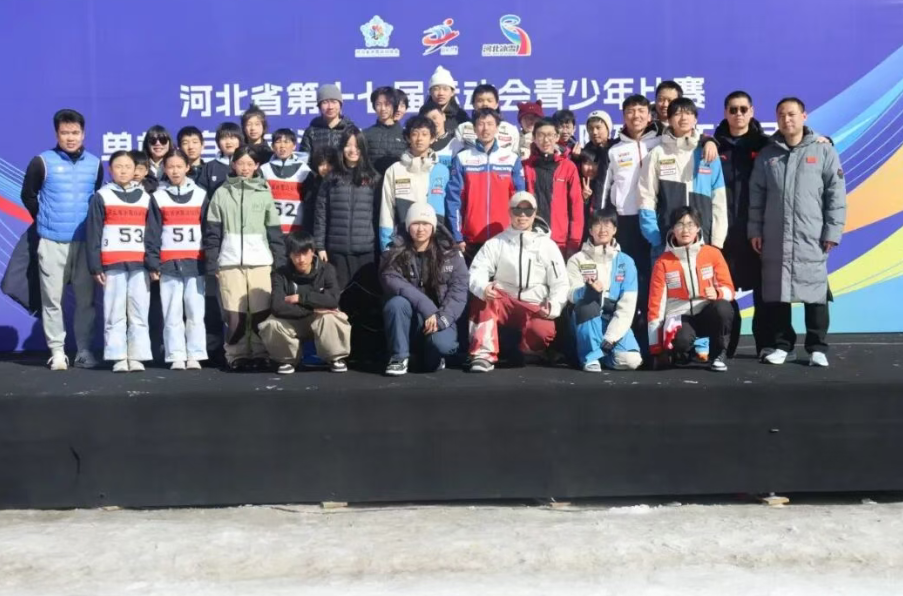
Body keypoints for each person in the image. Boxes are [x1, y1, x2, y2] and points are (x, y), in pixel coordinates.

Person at [749, 97, 846, 367]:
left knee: (815, 292)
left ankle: (817, 347)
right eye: (781, 114)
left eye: (792, 114)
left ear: (804, 116)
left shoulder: (823, 150)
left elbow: (836, 194)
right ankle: (783, 345)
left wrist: (832, 231)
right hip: (775, 235)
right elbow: (756, 196)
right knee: (777, 292)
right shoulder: (768, 154)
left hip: (811, 235)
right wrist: (755, 230)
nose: (786, 119)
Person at [21, 108, 103, 370]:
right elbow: (28, 195)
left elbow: (96, 199)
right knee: (52, 300)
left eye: (75, 132)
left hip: (85, 242)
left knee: (85, 301)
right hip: (52, 242)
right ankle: (57, 351)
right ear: (57, 134)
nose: (70, 137)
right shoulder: (41, 162)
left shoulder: (95, 164)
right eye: (65, 132)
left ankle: (84, 350)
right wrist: (46, 219)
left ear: (83, 133)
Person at [203, 146, 284, 371]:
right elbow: (212, 232)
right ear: (233, 165)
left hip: (260, 262)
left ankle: (260, 352)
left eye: (250, 164)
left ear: (257, 166)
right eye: (241, 164)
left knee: (260, 312)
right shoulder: (221, 193)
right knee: (234, 314)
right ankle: (236, 354)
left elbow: (274, 231)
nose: (245, 168)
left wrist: (280, 262)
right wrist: (212, 262)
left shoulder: (264, 192)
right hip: (229, 262)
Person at [467, 192, 568, 373]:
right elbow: (476, 271)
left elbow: (561, 283)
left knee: (542, 330)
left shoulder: (548, 246)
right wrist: (483, 287)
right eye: (517, 210)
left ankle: (529, 352)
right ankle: (483, 354)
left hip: (534, 304)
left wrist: (554, 305)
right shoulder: (496, 243)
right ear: (510, 212)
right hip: (504, 302)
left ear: (534, 213)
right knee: (483, 298)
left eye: (528, 211)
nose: (522, 215)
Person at [714, 91, 771, 357]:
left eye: (743, 109)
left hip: (757, 231)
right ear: (725, 112)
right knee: (725, 290)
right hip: (723, 232)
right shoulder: (713, 146)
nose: (738, 114)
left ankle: (765, 344)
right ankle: (726, 346)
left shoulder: (766, 145)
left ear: (752, 111)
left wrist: (822, 139)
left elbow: (798, 140)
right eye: (733, 109)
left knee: (763, 291)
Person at [380, 203, 467, 375]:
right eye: (415, 223)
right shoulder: (393, 251)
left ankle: (436, 357)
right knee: (396, 303)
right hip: (412, 318)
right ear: (408, 226)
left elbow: (459, 292)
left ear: (433, 226)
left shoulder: (450, 252)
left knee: (439, 349)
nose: (421, 229)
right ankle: (399, 357)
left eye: (425, 223)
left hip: (441, 316)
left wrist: (441, 318)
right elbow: (391, 280)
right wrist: (428, 310)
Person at [85, 151, 152, 372]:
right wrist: (95, 265)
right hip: (112, 263)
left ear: (136, 170)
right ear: (110, 170)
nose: (123, 171)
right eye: (118, 166)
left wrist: (153, 262)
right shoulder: (102, 196)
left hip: (139, 263)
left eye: (128, 166)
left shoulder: (145, 197)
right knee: (114, 312)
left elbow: (153, 233)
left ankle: (138, 356)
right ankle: (118, 356)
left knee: (139, 312)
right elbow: (93, 232)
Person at [648, 207, 735, 372]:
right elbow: (655, 306)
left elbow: (729, 290)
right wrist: (656, 348)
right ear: (672, 229)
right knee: (681, 341)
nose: (685, 230)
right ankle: (682, 354)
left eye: (690, 224)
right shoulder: (662, 262)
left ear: (698, 228)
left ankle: (718, 354)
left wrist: (718, 293)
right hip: (680, 316)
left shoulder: (713, 254)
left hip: (707, 312)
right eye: (680, 225)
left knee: (723, 308)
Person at [638, 97, 727, 254]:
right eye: (677, 113)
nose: (683, 118)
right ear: (669, 119)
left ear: (695, 119)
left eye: (688, 113)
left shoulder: (708, 152)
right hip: (666, 239)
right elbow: (646, 197)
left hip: (703, 238)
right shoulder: (658, 153)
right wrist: (654, 236)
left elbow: (719, 199)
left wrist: (717, 240)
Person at [145, 150, 208, 370]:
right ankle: (175, 354)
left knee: (195, 311)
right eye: (170, 167)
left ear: (187, 168)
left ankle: (195, 354)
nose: (174, 171)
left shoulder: (200, 195)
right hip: (168, 264)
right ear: (164, 169)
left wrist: (210, 261)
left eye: (179, 166)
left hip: (195, 263)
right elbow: (152, 233)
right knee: (172, 312)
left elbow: (208, 230)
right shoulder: (158, 197)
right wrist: (153, 262)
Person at [259, 231, 350, 374]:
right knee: (272, 324)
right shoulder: (280, 274)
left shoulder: (327, 269)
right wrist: (313, 309)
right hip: (295, 320)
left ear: (312, 251)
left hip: (320, 320)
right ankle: (287, 360)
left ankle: (335, 358)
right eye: (296, 254)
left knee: (332, 317)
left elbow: (332, 300)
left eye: (305, 253)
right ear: (289, 255)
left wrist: (300, 298)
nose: (301, 259)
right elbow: (277, 306)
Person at [446, 108, 525, 262]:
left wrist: (518, 231)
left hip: (505, 238)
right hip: (471, 240)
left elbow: (520, 199)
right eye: (481, 124)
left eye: (490, 124)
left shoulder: (511, 159)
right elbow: (454, 199)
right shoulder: (462, 158)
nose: (485, 128)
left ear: (497, 128)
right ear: (474, 128)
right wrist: (457, 236)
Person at [567, 209, 642, 372]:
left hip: (612, 318)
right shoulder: (577, 260)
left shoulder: (626, 262)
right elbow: (570, 295)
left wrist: (610, 338)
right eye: (597, 225)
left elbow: (627, 305)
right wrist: (586, 291)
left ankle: (601, 353)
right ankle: (590, 357)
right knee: (588, 304)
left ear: (615, 230)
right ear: (590, 230)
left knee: (631, 361)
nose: (603, 230)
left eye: (607, 225)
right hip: (586, 317)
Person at [314, 126, 380, 298]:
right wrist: (320, 246)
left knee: (365, 299)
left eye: (357, 146)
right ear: (341, 148)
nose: (352, 150)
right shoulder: (331, 178)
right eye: (348, 145)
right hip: (337, 251)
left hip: (365, 251)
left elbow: (379, 215)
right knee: (338, 298)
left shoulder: (373, 178)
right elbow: (321, 214)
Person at [379, 116, 450, 250]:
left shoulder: (442, 171)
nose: (419, 139)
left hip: (435, 244)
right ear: (407, 138)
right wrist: (386, 244)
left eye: (424, 134)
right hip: (402, 243)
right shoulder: (395, 170)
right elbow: (386, 210)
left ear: (432, 138)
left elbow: (450, 208)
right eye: (415, 134)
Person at [523, 119, 583, 256]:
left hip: (559, 240)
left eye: (550, 135)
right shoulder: (525, 167)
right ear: (534, 138)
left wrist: (574, 240)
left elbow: (576, 205)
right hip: (530, 237)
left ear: (557, 137)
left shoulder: (568, 167)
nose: (546, 140)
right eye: (541, 135)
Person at [259, 128, 312, 235]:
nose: (282, 146)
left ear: (294, 146)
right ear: (272, 146)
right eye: (278, 142)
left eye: (286, 142)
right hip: (271, 230)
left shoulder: (305, 170)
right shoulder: (264, 170)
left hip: (297, 231)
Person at [454, 84, 520, 151]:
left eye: (489, 101)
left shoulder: (510, 130)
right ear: (473, 104)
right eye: (480, 100)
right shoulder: (462, 128)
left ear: (497, 104)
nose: (485, 104)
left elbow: (515, 155)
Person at [300, 84, 355, 155]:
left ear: (340, 105)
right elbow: (304, 158)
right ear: (319, 106)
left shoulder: (350, 130)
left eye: (334, 102)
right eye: (325, 102)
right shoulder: (311, 132)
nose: (330, 107)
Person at [363, 86, 407, 175]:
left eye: (387, 104)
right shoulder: (366, 134)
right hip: (374, 182)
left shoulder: (405, 135)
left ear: (394, 106)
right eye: (378, 104)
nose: (383, 108)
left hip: (400, 181)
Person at [196, 122, 244, 196]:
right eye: (224, 138)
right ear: (218, 142)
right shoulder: (209, 167)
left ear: (240, 140)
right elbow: (201, 194)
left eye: (232, 138)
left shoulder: (248, 164)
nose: (228, 142)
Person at [301, 145, 338, 233]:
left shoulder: (340, 185)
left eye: (329, 164)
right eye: (321, 164)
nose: (325, 168)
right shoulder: (311, 185)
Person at [420, 100, 463, 167]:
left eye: (435, 118)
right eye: (429, 120)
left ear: (443, 116)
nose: (433, 122)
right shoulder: (420, 143)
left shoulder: (456, 142)